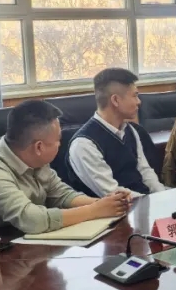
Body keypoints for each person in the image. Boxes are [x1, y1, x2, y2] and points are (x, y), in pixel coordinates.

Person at [0, 100, 129, 239]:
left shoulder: (34, 159)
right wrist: (94, 210)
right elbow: (32, 220)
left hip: (25, 245)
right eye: (58, 140)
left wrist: (108, 203)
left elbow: (62, 195)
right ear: (39, 147)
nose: (60, 144)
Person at [67, 68, 166, 198]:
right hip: (117, 208)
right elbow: (112, 193)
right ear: (115, 100)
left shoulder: (131, 130)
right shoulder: (84, 144)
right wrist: (151, 202)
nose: (139, 101)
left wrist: (163, 196)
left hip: (144, 201)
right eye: (134, 96)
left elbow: (145, 171)